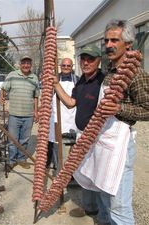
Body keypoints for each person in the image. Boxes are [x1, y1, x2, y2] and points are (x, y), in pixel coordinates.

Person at [73, 19, 149, 225]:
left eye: (114, 40)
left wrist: (119, 108)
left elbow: (147, 109)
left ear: (129, 44)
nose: (108, 45)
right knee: (103, 191)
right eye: (106, 40)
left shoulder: (136, 74)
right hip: (103, 141)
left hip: (120, 145)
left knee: (119, 204)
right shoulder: (110, 73)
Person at [49, 45, 108, 222]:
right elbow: (70, 103)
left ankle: (105, 216)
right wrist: (55, 84)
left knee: (100, 175)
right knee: (86, 173)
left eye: (91, 59)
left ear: (99, 61)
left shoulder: (104, 81)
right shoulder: (81, 81)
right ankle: (90, 208)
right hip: (83, 136)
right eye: (83, 59)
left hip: (98, 137)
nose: (86, 62)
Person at [0, 55, 40, 171]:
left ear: (30, 65)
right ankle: (11, 160)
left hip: (28, 115)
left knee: (25, 139)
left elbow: (36, 96)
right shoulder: (12, 75)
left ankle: (21, 159)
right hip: (14, 114)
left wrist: (36, 112)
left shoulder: (34, 78)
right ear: (20, 64)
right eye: (24, 63)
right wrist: (1, 97)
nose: (26, 65)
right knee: (12, 139)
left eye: (28, 63)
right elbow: (3, 88)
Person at [47, 58, 78, 169]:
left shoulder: (76, 80)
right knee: (56, 142)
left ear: (71, 67)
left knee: (71, 144)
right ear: (60, 66)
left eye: (68, 66)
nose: (65, 67)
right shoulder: (54, 79)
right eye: (63, 65)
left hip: (71, 117)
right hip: (56, 116)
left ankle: (71, 168)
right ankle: (57, 164)